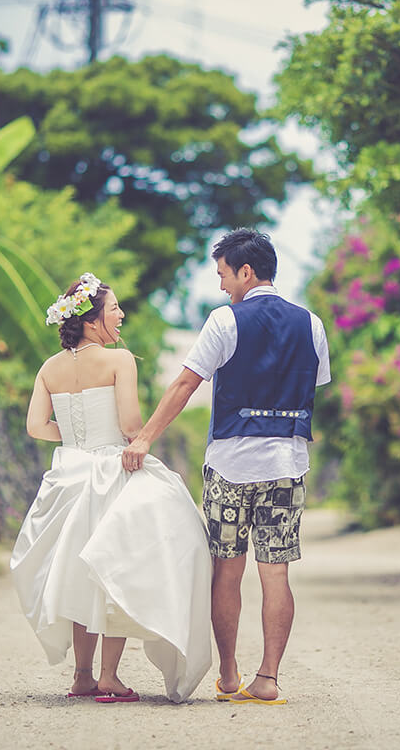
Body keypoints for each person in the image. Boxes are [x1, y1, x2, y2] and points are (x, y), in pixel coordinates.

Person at [122, 229, 331, 706]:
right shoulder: (312, 323)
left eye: (222, 275)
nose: (221, 286)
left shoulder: (225, 320)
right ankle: (269, 679)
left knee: (227, 572)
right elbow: (313, 383)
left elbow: (184, 384)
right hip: (288, 463)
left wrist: (145, 437)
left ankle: (231, 675)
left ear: (245, 271)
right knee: (276, 572)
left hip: (231, 464)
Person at [10, 272, 212, 704]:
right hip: (111, 470)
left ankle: (82, 676)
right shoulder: (119, 360)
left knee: (80, 573)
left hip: (69, 474)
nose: (120, 314)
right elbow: (129, 427)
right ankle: (109, 676)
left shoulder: (49, 368)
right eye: (113, 308)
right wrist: (119, 439)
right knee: (119, 567)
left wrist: (74, 438)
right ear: (89, 320)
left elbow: (34, 427)